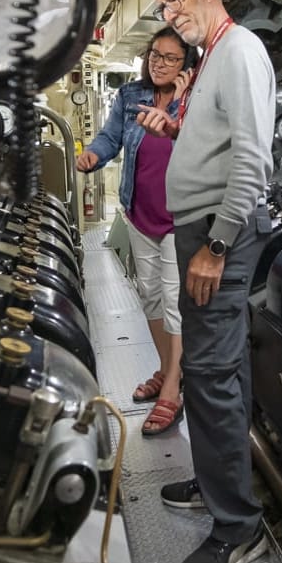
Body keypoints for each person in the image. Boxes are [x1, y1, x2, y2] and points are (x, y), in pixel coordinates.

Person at [135, 0, 276, 563]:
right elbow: (216, 144)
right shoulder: (211, 56)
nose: (172, 15)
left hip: (220, 236)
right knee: (221, 366)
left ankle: (237, 529)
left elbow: (252, 160)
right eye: (163, 6)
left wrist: (214, 246)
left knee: (211, 370)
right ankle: (219, 481)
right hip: (201, 229)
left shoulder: (239, 49)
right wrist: (172, 132)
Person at [77, 28, 194, 436]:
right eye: (154, 55)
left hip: (180, 217)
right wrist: (95, 153)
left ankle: (173, 391)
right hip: (140, 212)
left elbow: (197, 141)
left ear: (186, 65)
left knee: (175, 302)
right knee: (151, 297)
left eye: (170, 58)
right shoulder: (131, 96)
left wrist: (181, 99)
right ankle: (165, 370)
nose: (158, 63)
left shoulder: (193, 100)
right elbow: (111, 137)